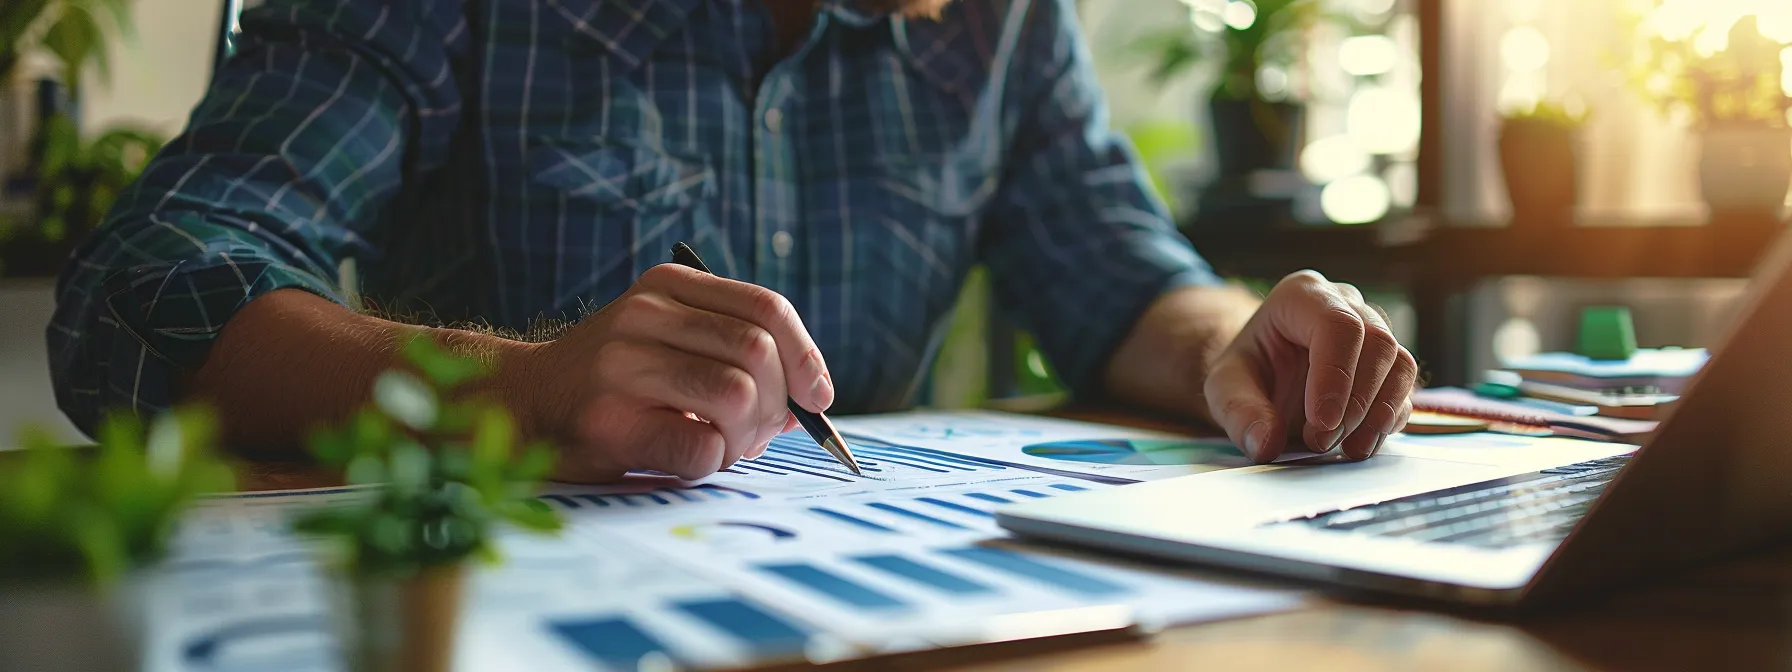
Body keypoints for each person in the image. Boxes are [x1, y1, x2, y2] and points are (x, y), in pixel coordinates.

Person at [48, 0, 1416, 482]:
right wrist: (521, 393)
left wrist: (1232, 341)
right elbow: (143, 291)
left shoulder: (1000, 21)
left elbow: (1117, 275)